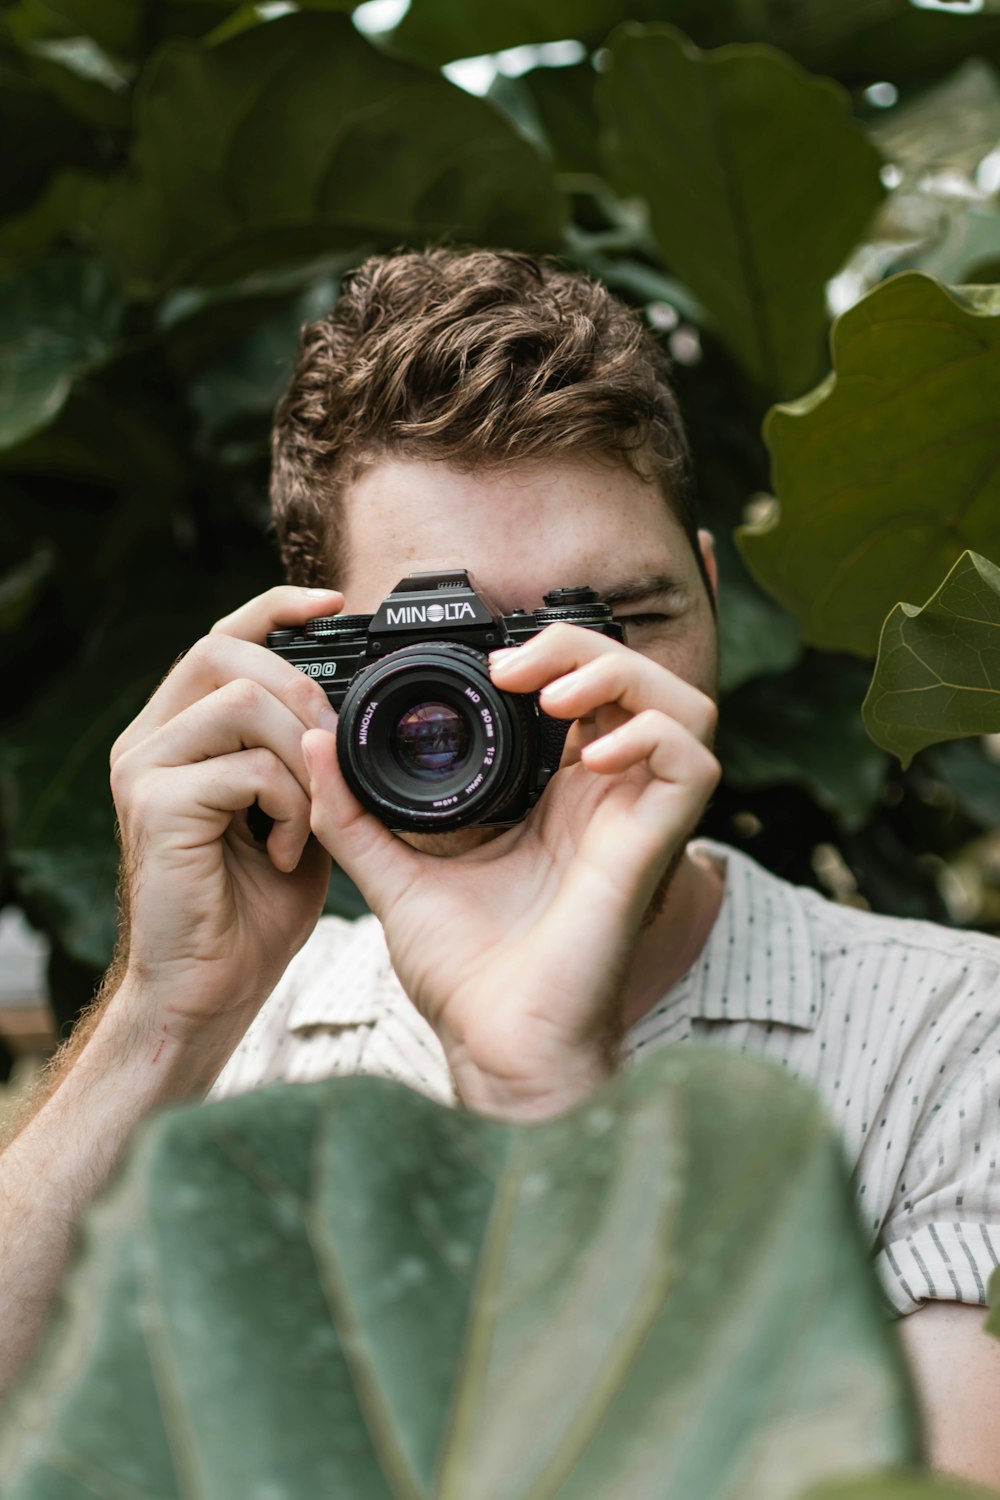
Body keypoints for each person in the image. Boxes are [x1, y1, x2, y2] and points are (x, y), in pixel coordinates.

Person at [2, 248, 999, 1482]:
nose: (555, 704)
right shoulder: (236, 1038)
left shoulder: (959, 1040)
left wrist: (543, 1091)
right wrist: (167, 1013)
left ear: (708, 587)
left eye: (619, 624)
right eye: (457, 661)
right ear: (316, 663)